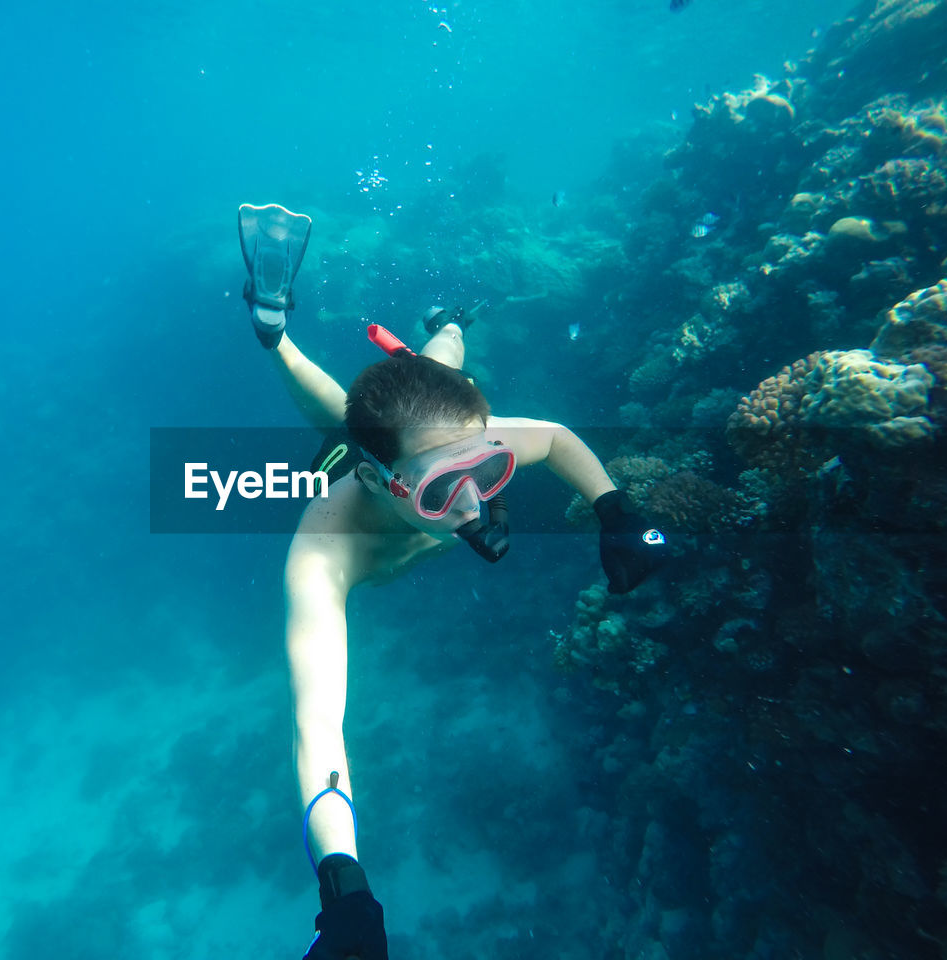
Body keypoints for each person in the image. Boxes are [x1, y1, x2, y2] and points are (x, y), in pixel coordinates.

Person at [237, 203, 668, 959]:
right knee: (339, 420)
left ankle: (446, 317)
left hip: (412, 425)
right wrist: (344, 885)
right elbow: (319, 726)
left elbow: (559, 439)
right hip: (363, 462)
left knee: (440, 364)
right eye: (444, 491)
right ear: (386, 487)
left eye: (490, 467)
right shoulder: (323, 552)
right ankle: (273, 333)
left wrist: (616, 509)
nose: (474, 502)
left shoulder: (464, 437)